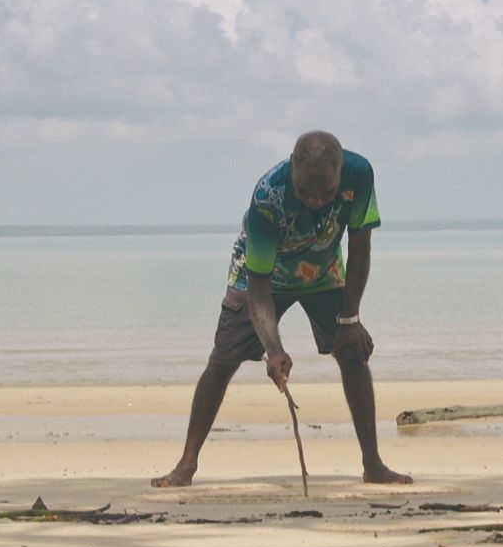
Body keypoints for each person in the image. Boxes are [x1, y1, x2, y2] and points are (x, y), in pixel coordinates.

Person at [152, 131, 411, 487]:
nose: (316, 201)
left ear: (339, 173)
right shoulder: (266, 198)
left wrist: (350, 319)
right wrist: (273, 350)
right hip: (261, 275)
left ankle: (373, 464)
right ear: (292, 167)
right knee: (223, 360)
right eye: (305, 192)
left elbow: (361, 247)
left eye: (326, 193)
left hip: (322, 270)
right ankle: (186, 464)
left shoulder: (360, 174)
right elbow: (259, 290)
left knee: (352, 354)